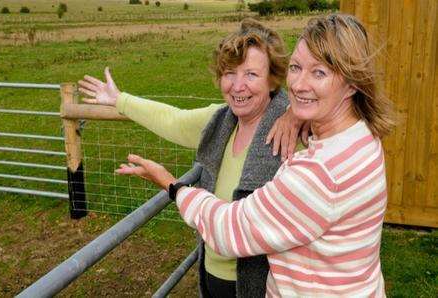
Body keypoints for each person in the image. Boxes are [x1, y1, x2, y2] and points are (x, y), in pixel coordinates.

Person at [116, 14, 395, 297]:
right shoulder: (362, 137)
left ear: (352, 84)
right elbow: (175, 120)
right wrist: (294, 113)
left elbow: (229, 230)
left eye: (319, 72)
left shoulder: (317, 171)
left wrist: (171, 185)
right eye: (296, 68)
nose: (298, 85)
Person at [79, 19, 307, 297]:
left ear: (273, 80)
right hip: (211, 272)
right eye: (229, 73)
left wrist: (296, 112)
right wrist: (119, 99)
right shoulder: (220, 121)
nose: (237, 86)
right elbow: (173, 120)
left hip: (263, 284)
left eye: (251, 74)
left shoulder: (294, 134)